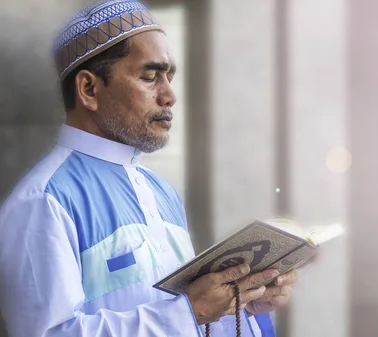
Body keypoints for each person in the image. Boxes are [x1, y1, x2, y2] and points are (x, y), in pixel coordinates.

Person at [0, 1, 297, 336]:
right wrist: (191, 311)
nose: (169, 96)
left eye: (169, 77)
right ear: (89, 89)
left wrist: (239, 303)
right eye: (150, 76)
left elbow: (187, 319)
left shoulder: (162, 192)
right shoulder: (43, 201)